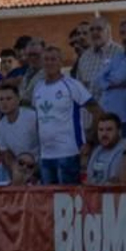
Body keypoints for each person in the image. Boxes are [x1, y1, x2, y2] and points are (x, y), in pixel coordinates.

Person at [29, 45, 91, 185]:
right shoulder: (38, 87)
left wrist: (90, 139)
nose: (49, 63)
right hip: (46, 154)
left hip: (68, 153)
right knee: (49, 199)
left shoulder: (72, 85)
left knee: (68, 199)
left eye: (53, 59)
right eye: (46, 59)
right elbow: (38, 119)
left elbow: (95, 109)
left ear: (61, 62)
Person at [85, 113, 126, 184]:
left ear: (119, 131)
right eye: (101, 130)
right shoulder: (97, 149)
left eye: (109, 129)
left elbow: (114, 180)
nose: (104, 134)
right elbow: (89, 177)